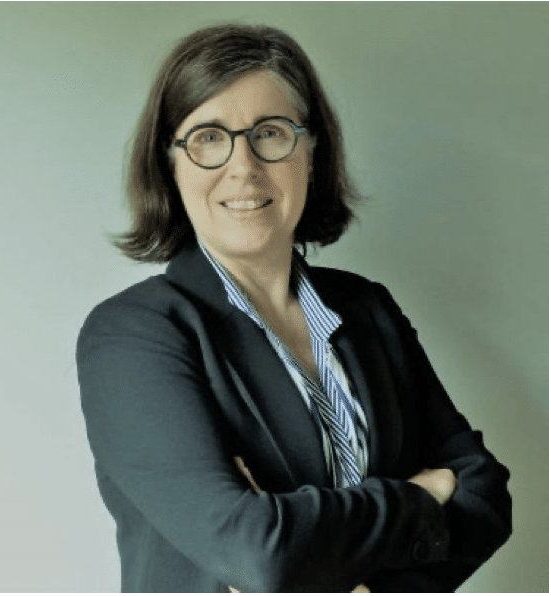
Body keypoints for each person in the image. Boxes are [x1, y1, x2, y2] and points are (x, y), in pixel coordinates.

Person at [77, 24, 512, 593]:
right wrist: (421, 496)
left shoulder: (368, 308)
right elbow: (254, 551)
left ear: (311, 152)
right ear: (171, 162)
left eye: (271, 133)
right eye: (209, 137)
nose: (244, 167)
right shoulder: (134, 335)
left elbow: (485, 497)